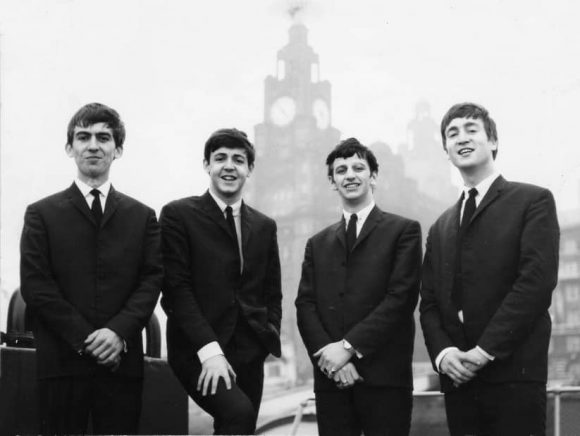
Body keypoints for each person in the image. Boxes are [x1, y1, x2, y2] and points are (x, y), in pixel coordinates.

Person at [20, 102, 163, 435]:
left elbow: (151, 279)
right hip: (61, 366)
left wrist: (118, 333)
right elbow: (36, 285)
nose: (94, 145)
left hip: (121, 367)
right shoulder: (41, 214)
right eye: (83, 137)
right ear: (70, 148)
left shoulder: (142, 217)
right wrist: (88, 341)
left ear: (118, 149)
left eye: (104, 137)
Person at [420, 102, 560, 435]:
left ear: (493, 141)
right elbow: (429, 304)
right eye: (452, 134)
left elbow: (536, 284)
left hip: (515, 377)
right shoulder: (440, 227)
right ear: (446, 151)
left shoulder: (533, 201)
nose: (461, 138)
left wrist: (485, 351)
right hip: (459, 383)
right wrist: (444, 355)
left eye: (471, 129)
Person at [295, 138, 422, 436]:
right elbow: (305, 305)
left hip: (385, 379)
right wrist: (333, 362)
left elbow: (400, 299)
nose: (349, 175)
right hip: (332, 380)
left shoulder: (403, 231)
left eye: (358, 167)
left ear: (373, 176)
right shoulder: (317, 243)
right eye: (341, 170)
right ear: (332, 181)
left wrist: (348, 348)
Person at [161, 128, 282, 435]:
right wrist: (209, 351)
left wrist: (269, 334)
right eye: (220, 158)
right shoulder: (178, 215)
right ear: (207, 165)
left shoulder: (265, 226)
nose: (229, 166)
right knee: (237, 413)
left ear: (249, 169)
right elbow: (176, 291)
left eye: (238, 160)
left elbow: (272, 291)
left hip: (250, 351)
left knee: (241, 428)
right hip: (197, 348)